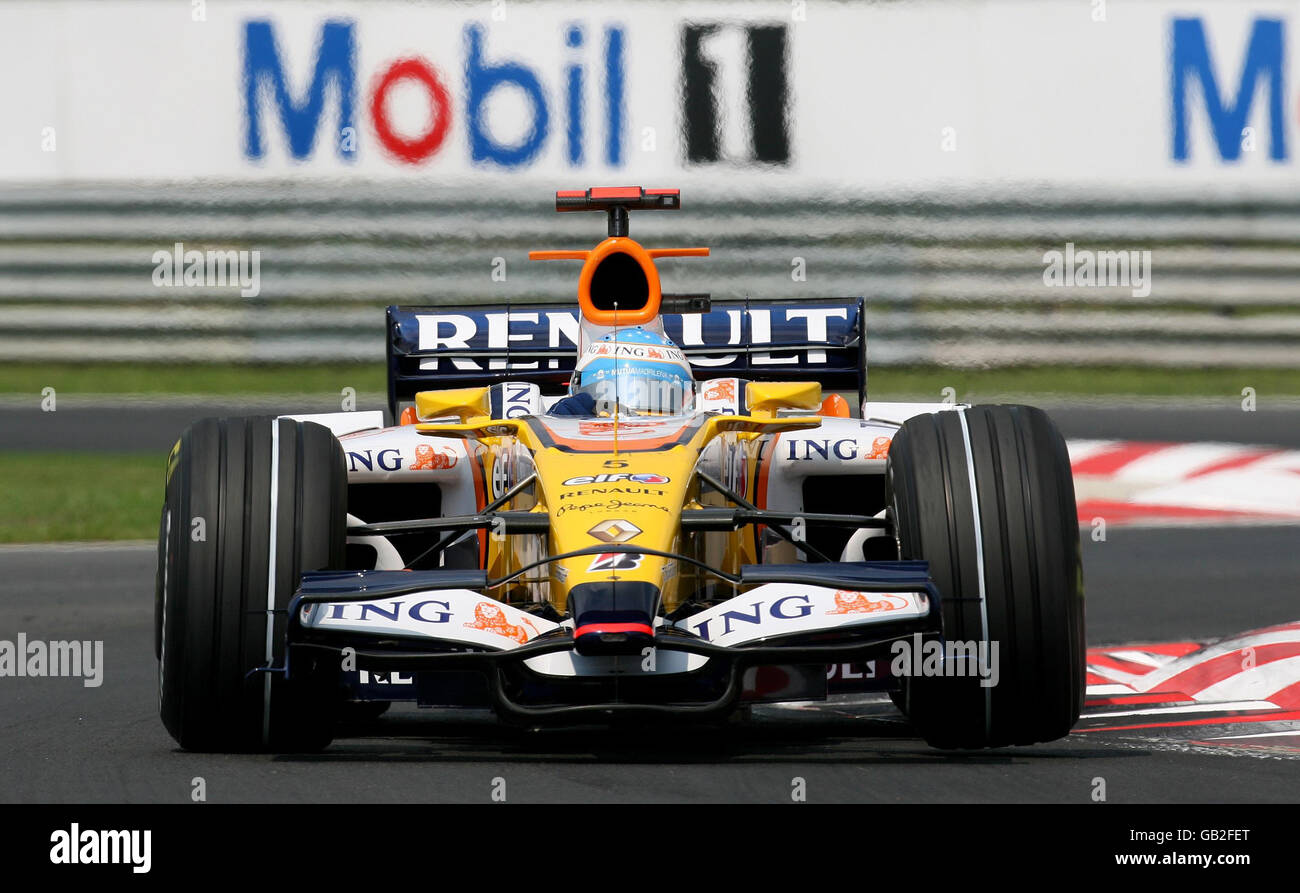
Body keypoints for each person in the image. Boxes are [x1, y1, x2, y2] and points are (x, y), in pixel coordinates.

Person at [549, 327, 695, 417]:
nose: (637, 417)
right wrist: (559, 423)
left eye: (660, 394)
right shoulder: (567, 416)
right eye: (607, 390)